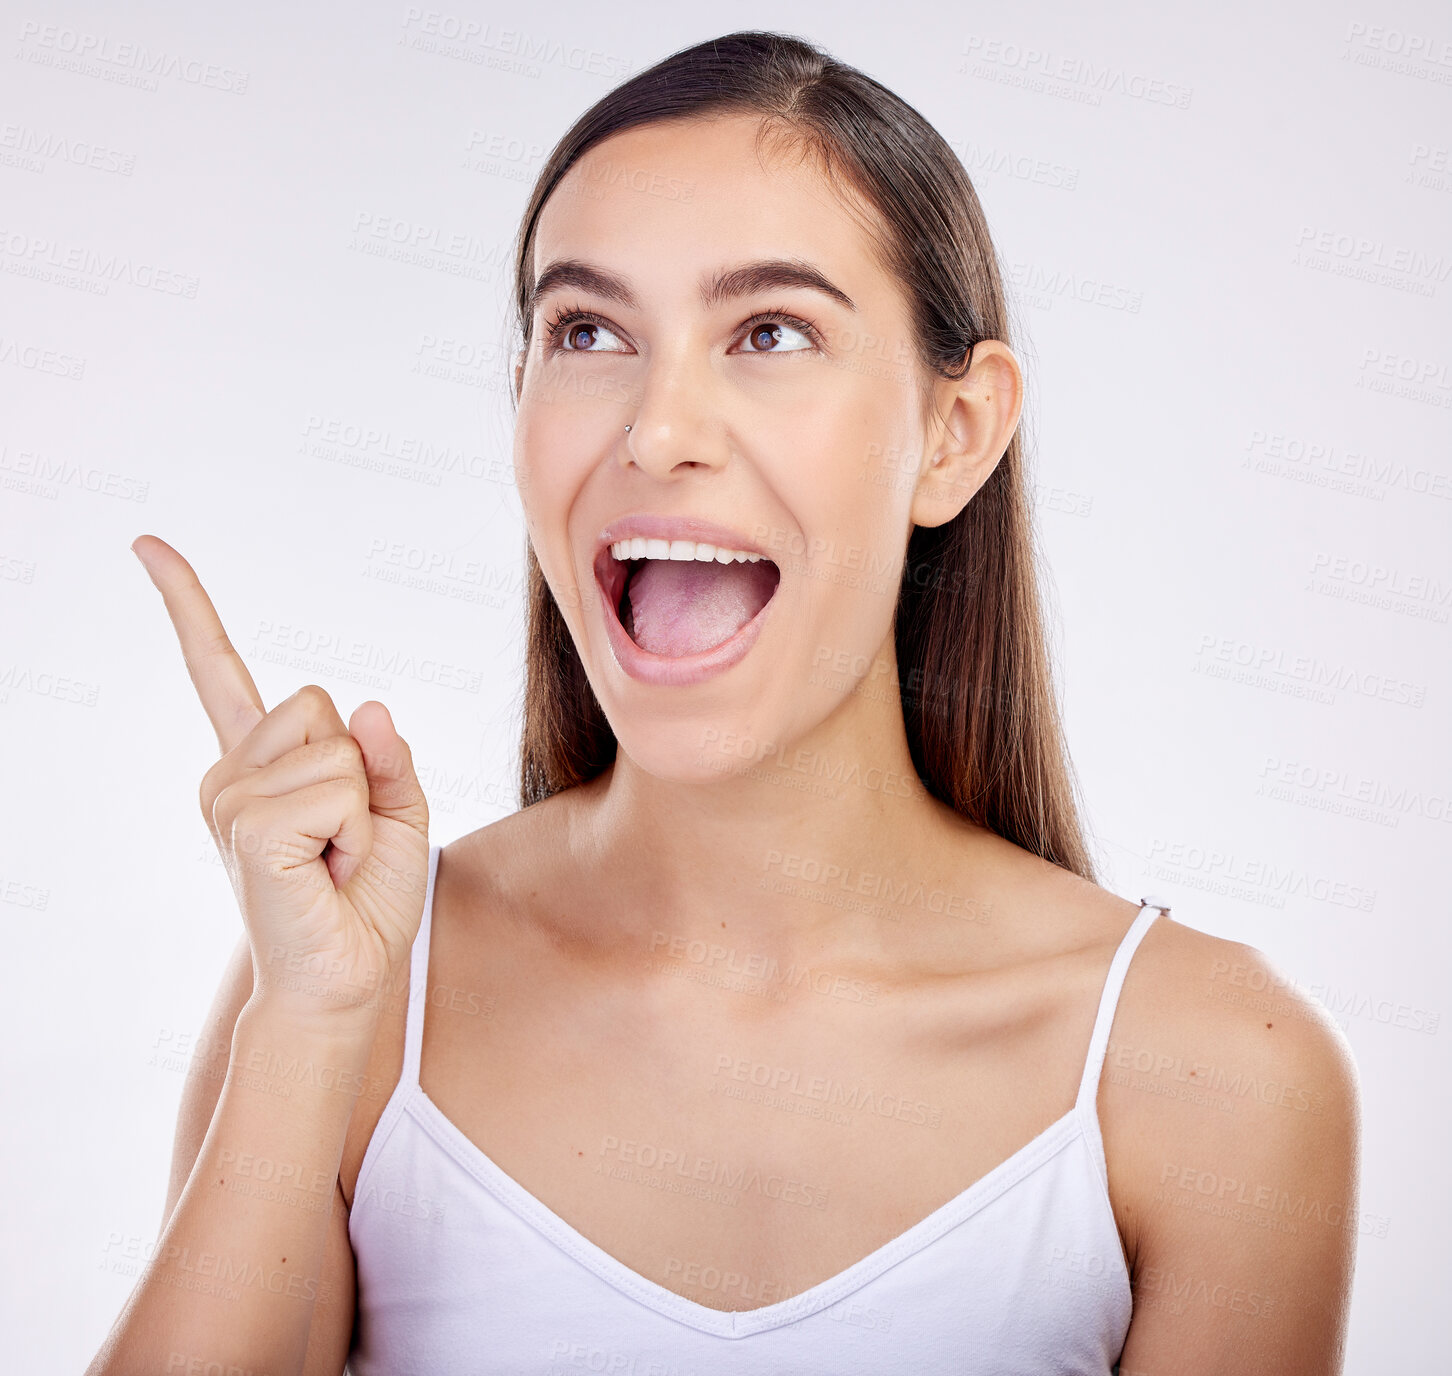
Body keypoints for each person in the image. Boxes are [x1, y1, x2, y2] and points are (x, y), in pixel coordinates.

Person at [88, 30, 1360, 1376]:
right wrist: (306, 1032)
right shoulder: (353, 995)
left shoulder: (1213, 1072)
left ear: (957, 432)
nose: (655, 428)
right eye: (588, 331)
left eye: (770, 332)